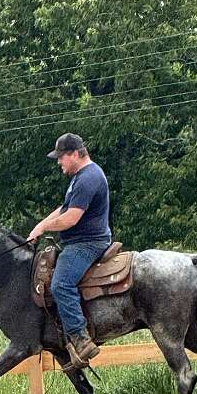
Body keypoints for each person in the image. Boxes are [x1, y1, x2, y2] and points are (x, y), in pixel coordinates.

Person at [28, 133, 112, 369]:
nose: (59, 162)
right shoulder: (81, 178)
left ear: (76, 154)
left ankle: (80, 338)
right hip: (82, 241)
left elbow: (71, 218)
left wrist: (45, 227)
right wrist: (39, 227)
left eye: (62, 157)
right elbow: (65, 208)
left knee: (60, 284)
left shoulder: (88, 178)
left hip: (87, 243)